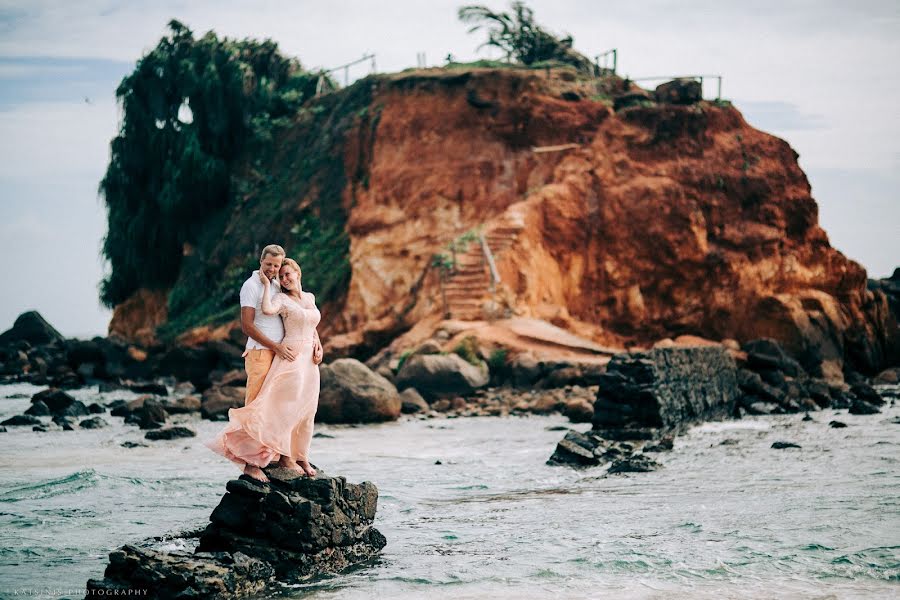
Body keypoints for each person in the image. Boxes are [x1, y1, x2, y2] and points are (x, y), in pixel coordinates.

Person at [207, 258, 324, 482]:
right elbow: (266, 309)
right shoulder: (278, 296)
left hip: (310, 361)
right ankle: (278, 458)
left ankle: (302, 456)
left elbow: (312, 324)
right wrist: (268, 285)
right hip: (291, 355)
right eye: (281, 276)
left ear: (298, 273)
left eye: (288, 274)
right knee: (283, 408)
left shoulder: (310, 298)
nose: (284, 278)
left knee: (307, 411)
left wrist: (319, 344)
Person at [239, 244, 293, 405]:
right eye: (268, 264)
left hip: (278, 353)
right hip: (260, 353)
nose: (272, 268)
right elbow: (246, 326)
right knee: (255, 402)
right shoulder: (250, 286)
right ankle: (244, 431)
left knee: (272, 404)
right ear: (261, 261)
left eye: (276, 265)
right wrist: (275, 346)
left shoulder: (277, 285)